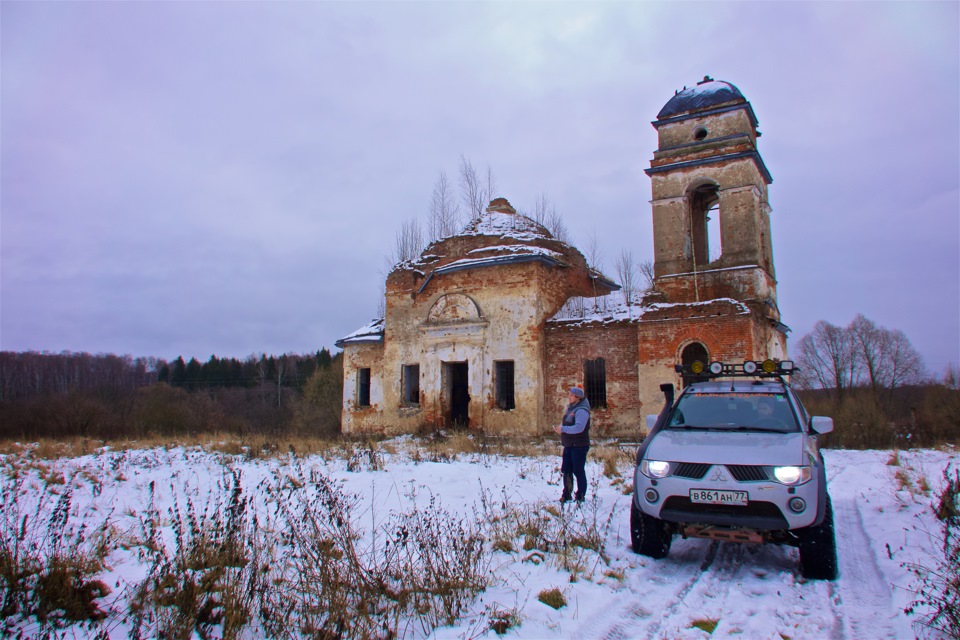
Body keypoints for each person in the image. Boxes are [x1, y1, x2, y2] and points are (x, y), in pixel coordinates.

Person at [553, 386, 591, 503]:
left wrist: (563, 429)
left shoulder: (582, 411)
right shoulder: (570, 409)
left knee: (578, 471)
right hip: (569, 445)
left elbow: (579, 428)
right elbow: (567, 423)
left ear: (578, 398)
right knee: (567, 470)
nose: (569, 397)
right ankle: (567, 493)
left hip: (579, 445)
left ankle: (580, 495)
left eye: (571, 395)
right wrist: (560, 428)